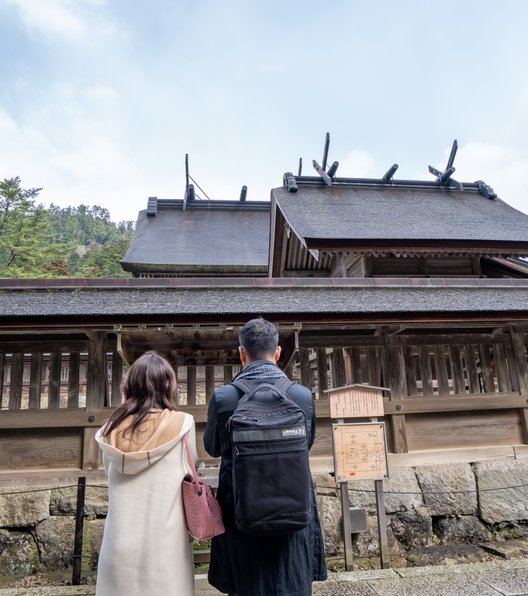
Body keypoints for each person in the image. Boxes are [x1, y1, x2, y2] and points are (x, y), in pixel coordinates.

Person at [204, 318, 327, 596]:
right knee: (292, 581)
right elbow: (305, 444)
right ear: (278, 353)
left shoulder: (224, 398)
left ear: (241, 353)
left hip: (241, 512)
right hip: (294, 509)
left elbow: (212, 447)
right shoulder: (302, 396)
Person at [95, 351, 197, 596]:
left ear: (130, 384)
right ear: (168, 386)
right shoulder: (183, 424)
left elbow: (110, 471)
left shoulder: (109, 430)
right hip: (166, 542)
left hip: (119, 538)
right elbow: (192, 468)